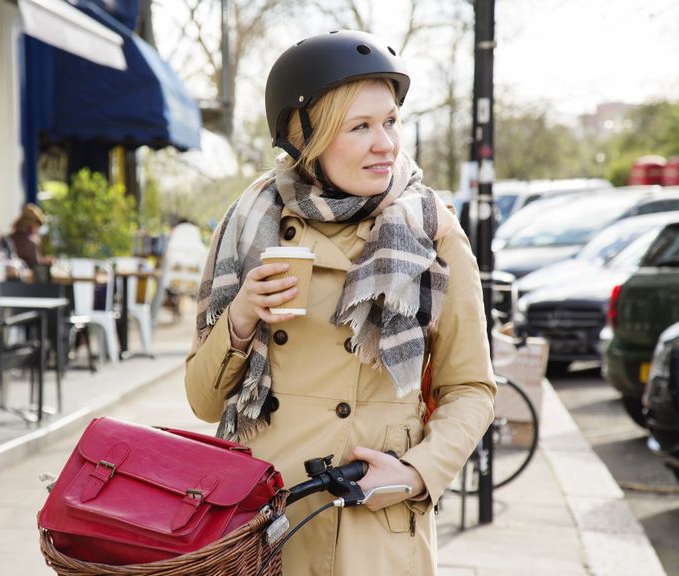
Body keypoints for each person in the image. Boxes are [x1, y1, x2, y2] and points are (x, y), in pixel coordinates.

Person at [185, 30, 496, 576]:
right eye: (360, 127)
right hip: (264, 521)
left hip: (372, 517)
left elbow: (470, 388)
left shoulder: (433, 234)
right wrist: (240, 316)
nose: (386, 144)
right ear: (305, 140)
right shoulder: (247, 230)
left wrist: (414, 473)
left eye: (390, 121)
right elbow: (204, 404)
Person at [8, 203, 53, 269]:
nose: (38, 231)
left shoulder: (9, 238)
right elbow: (36, 266)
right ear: (31, 226)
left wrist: (43, 260)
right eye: (37, 227)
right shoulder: (32, 242)